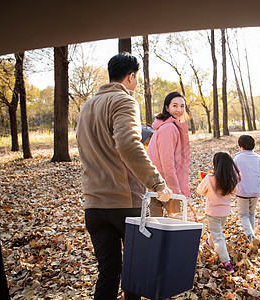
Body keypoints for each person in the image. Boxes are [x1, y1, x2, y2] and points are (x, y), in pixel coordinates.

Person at [76, 52, 172, 300]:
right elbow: (129, 145)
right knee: (135, 275)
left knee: (107, 275)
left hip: (93, 205)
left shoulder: (87, 106)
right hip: (125, 204)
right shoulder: (124, 101)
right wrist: (158, 184)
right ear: (131, 77)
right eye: (137, 78)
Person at [147, 91, 190, 217]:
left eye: (182, 106)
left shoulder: (165, 126)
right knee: (176, 225)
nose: (179, 109)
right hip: (167, 187)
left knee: (156, 227)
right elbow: (167, 161)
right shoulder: (169, 128)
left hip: (156, 184)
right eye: (175, 106)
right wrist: (175, 190)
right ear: (167, 107)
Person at [196, 152, 240, 273]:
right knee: (217, 233)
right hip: (225, 212)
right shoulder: (231, 178)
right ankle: (209, 242)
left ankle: (226, 262)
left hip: (212, 212)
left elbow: (199, 190)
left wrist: (205, 179)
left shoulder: (210, 178)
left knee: (218, 237)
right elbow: (235, 192)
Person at [233, 135, 260, 248]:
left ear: (241, 146)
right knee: (252, 213)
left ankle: (250, 235)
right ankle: (251, 237)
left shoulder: (237, 158)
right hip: (256, 190)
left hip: (242, 191)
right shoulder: (259, 158)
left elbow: (233, 175)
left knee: (243, 214)